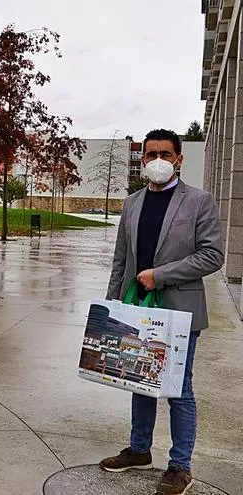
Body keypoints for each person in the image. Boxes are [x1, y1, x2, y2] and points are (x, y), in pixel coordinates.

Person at [101, 129, 224, 495]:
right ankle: (139, 449)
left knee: (179, 389)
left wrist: (161, 275)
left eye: (165, 154)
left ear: (178, 160)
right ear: (142, 160)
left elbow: (212, 255)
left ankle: (180, 466)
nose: (157, 160)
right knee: (139, 381)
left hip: (180, 311)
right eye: (150, 154)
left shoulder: (199, 201)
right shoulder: (132, 203)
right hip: (138, 309)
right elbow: (121, 259)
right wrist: (111, 305)